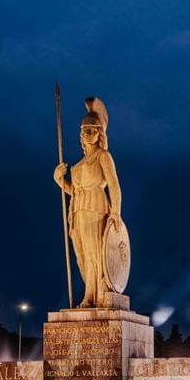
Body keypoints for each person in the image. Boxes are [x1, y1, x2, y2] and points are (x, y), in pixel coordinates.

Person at [53, 97, 123, 307]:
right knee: (81, 255)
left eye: (92, 130)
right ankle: (90, 292)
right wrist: (58, 180)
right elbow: (74, 191)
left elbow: (113, 185)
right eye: (84, 130)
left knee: (94, 253)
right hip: (77, 209)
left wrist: (116, 212)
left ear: (100, 134)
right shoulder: (80, 163)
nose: (87, 134)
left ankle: (92, 295)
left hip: (95, 206)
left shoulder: (104, 156)